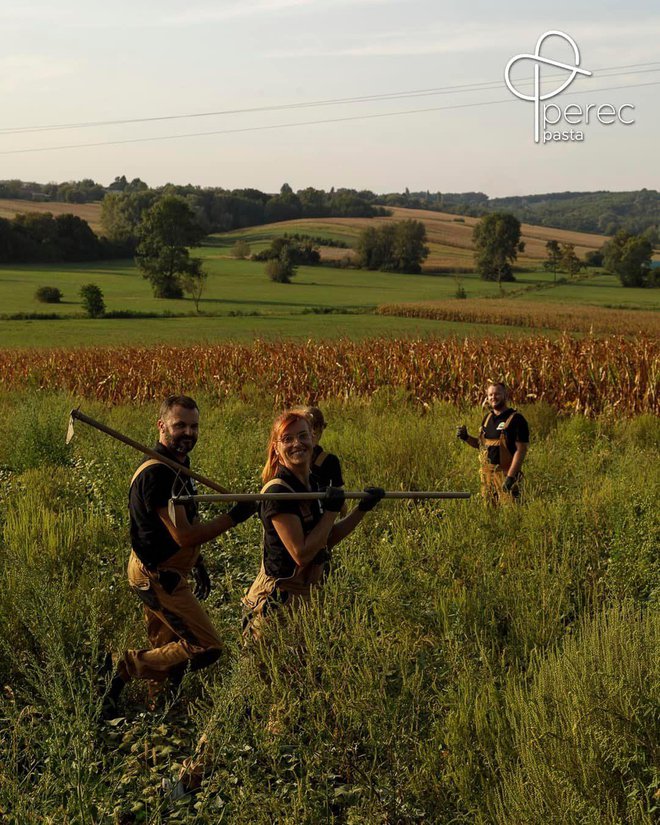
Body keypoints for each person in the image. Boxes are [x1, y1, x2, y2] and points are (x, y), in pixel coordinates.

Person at [102, 395, 256, 718]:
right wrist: (234, 517)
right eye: (180, 425)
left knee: (167, 646)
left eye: (194, 426)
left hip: (165, 567)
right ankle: (126, 666)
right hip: (157, 574)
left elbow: (184, 522)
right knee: (206, 644)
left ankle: (161, 713)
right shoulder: (157, 474)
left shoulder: (178, 464)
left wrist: (196, 562)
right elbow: (183, 535)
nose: (188, 432)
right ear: (161, 426)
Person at [242, 409, 384, 640]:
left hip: (307, 594)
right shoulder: (278, 492)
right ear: (276, 448)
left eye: (302, 436)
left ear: (313, 439)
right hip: (277, 600)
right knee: (271, 672)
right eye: (287, 439)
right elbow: (302, 553)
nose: (297, 443)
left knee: (304, 672)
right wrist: (331, 511)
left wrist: (362, 508)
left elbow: (325, 539)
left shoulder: (314, 483)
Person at [456, 382, 529, 504]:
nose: (493, 397)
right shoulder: (487, 418)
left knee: (510, 515)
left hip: (506, 475)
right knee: (489, 514)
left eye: (497, 394)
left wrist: (511, 477)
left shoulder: (516, 419)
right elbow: (481, 445)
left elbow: (521, 450)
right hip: (487, 477)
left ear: (505, 395)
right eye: (490, 395)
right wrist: (466, 437)